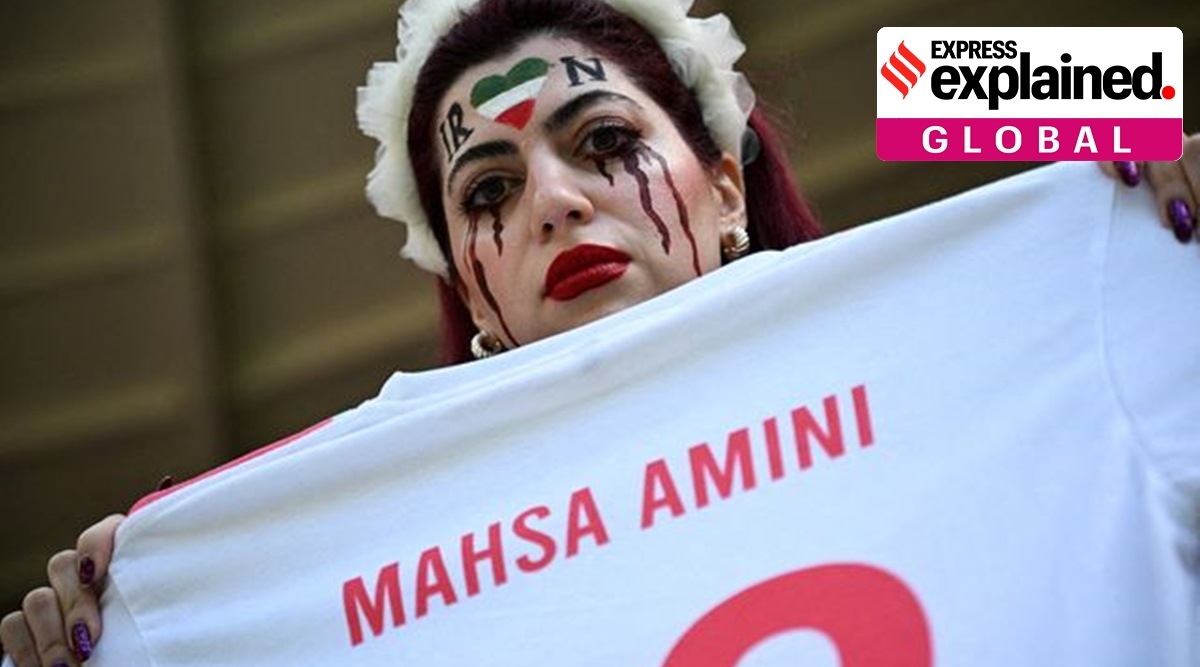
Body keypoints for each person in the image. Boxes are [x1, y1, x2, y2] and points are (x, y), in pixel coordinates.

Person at [2, 0, 1197, 665]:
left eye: (606, 140)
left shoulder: (1039, 286)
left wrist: (1143, 181)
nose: (556, 203)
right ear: (472, 296)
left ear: (728, 186)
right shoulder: (301, 531)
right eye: (487, 193)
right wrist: (156, 603)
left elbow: (1114, 77)